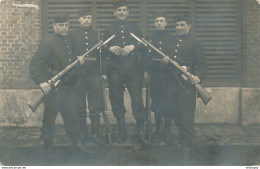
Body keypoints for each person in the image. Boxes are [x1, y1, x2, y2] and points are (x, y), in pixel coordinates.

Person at [29, 13, 90, 159]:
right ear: (54, 26)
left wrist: (78, 61)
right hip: (53, 88)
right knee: (49, 119)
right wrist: (41, 81)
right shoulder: (48, 42)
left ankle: (78, 145)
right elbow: (35, 63)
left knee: (72, 118)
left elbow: (67, 63)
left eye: (67, 25)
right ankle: (48, 148)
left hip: (67, 87)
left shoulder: (67, 40)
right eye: (61, 25)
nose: (64, 28)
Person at [162, 14, 208, 158]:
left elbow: (201, 64)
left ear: (189, 26)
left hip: (187, 84)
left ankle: (187, 144)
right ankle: (183, 140)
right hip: (172, 83)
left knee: (187, 114)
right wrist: (165, 62)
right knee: (173, 111)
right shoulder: (171, 42)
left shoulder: (195, 42)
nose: (179, 28)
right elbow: (169, 63)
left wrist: (197, 77)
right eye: (177, 25)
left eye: (182, 25)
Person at [103, 0, 147, 144]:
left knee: (137, 100)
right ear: (114, 13)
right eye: (119, 10)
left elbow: (143, 45)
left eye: (124, 10)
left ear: (128, 12)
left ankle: (140, 132)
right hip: (115, 70)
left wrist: (133, 46)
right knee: (116, 99)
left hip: (133, 70)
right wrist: (109, 49)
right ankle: (122, 132)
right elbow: (102, 48)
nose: (122, 12)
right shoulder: (108, 29)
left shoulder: (135, 27)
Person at [68, 9, 106, 145]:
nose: (86, 20)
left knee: (95, 105)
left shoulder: (97, 34)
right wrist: (75, 57)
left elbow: (102, 56)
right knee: (79, 106)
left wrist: (103, 72)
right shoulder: (72, 35)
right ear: (79, 19)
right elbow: (68, 53)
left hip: (93, 74)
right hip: (78, 75)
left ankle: (95, 134)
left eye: (89, 18)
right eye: (84, 18)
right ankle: (83, 134)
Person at [144, 12, 175, 145]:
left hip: (168, 75)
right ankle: (158, 128)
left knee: (168, 102)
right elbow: (144, 56)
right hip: (155, 75)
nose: (159, 23)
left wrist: (169, 60)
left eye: (162, 21)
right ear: (154, 23)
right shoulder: (149, 38)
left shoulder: (172, 38)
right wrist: (145, 70)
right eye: (157, 21)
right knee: (156, 102)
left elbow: (176, 56)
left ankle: (167, 130)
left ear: (166, 23)